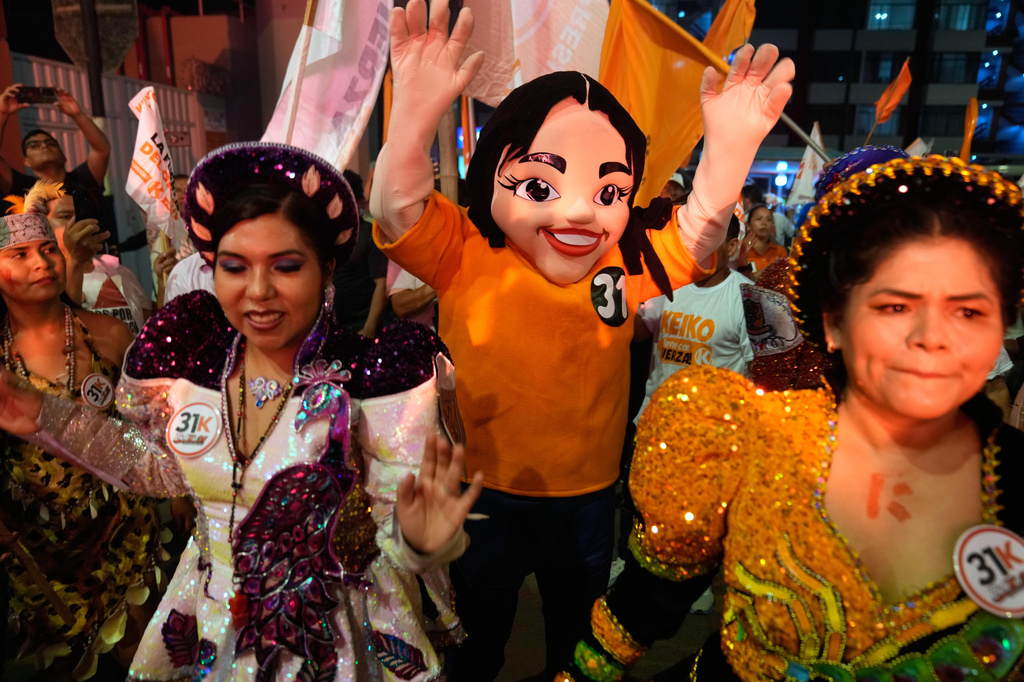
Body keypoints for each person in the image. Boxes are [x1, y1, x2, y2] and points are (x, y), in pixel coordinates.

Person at [369, 1, 794, 677]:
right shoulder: (464, 246)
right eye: (540, 183)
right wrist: (414, 118)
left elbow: (700, 230)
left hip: (590, 496)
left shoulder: (625, 260)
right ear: (493, 170)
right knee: (476, 642)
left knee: (577, 643)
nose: (576, 209)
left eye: (608, 190)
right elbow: (396, 205)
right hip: (483, 488)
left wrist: (730, 150)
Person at [0, 142, 485, 681]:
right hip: (210, 619)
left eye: (286, 266)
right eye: (234, 267)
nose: (258, 292)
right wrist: (44, 417)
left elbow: (400, 541)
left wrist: (419, 542)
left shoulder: (368, 383)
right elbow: (159, 470)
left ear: (326, 269)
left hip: (331, 637)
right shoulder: (197, 368)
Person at [557, 153, 1024, 681]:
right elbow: (646, 604)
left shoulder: (1012, 478)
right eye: (894, 305)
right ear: (834, 322)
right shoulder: (752, 439)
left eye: (968, 309)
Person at [0, 211, 165, 679]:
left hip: (127, 536)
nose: (42, 262)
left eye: (49, 249)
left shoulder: (110, 335)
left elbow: (153, 431)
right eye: (20, 255)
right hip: (41, 559)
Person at [10, 180, 152, 333]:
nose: (77, 222)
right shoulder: (41, 278)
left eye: (81, 215)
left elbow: (149, 324)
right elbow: (62, 332)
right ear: (42, 225)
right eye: (65, 216)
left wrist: (164, 281)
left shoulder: (121, 272)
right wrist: (75, 260)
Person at [0, 86, 110, 201]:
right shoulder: (23, 188)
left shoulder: (82, 179)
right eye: (34, 145)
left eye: (51, 143)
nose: (44, 146)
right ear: (26, 161)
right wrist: (2, 113)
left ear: (64, 156)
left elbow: (102, 150)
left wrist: (77, 115)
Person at [332, 169, 389, 337]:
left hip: (361, 328)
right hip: (335, 329)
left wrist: (369, 328)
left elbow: (382, 284)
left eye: (345, 200)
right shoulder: (326, 235)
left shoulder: (369, 234)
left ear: (359, 203)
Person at [742, 203, 787, 278]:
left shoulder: (780, 252)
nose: (764, 223)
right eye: (758, 219)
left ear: (773, 226)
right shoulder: (740, 250)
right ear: (748, 226)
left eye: (768, 220)